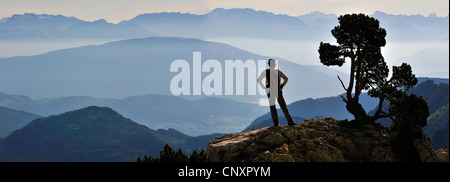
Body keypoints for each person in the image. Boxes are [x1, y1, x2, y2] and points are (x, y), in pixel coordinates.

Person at [257, 59, 295, 126]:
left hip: (270, 91)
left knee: (272, 107)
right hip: (278, 91)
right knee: (283, 107)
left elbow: (259, 80)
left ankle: (276, 123)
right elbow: (286, 78)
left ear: (268, 64)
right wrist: (282, 85)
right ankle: (290, 122)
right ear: (274, 64)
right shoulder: (277, 72)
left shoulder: (266, 72)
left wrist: (264, 87)